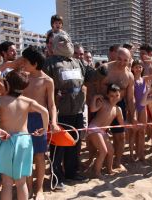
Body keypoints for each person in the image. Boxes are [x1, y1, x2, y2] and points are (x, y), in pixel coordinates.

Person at [44, 32, 107, 188]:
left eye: (68, 40)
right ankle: (56, 178)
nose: (65, 43)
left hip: (78, 108)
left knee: (75, 143)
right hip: (60, 110)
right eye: (61, 41)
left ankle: (72, 172)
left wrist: (102, 70)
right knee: (58, 145)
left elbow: (92, 76)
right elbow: (43, 83)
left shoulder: (78, 62)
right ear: (55, 44)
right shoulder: (50, 62)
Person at [0, 69, 49, 200]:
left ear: (7, 85)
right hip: (23, 141)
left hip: (6, 140)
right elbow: (44, 111)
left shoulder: (1, 100)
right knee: (21, 183)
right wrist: (44, 128)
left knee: (7, 183)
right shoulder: (27, 101)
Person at [20, 46, 59, 200]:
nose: (22, 63)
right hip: (22, 119)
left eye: (25, 61)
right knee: (26, 156)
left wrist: (53, 122)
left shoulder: (47, 80)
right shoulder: (23, 77)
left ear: (34, 63)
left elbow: (52, 105)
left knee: (40, 156)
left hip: (39, 120)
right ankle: (28, 188)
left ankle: (39, 189)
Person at [100, 47, 136, 170]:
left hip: (119, 106)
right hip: (103, 104)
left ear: (129, 60)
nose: (122, 62)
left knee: (120, 136)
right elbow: (94, 87)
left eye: (125, 60)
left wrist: (133, 115)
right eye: (119, 59)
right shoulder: (105, 69)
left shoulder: (129, 76)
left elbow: (130, 98)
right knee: (99, 135)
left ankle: (117, 161)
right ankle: (99, 160)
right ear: (115, 56)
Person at [87, 84, 123, 178]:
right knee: (103, 151)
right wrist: (95, 98)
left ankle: (109, 169)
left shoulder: (118, 109)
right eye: (112, 95)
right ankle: (97, 172)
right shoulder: (103, 102)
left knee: (111, 151)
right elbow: (92, 109)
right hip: (94, 128)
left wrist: (133, 124)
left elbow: (123, 124)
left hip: (102, 131)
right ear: (107, 95)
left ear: (120, 96)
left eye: (117, 95)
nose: (114, 98)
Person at [130, 60, 152, 161]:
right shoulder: (131, 80)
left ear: (142, 68)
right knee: (133, 132)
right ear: (132, 68)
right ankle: (132, 154)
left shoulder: (144, 79)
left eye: (140, 67)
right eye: (136, 67)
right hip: (133, 108)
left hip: (143, 108)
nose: (138, 69)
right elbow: (132, 99)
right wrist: (134, 114)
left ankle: (141, 153)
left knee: (142, 132)